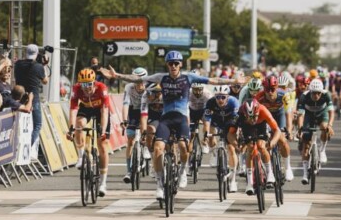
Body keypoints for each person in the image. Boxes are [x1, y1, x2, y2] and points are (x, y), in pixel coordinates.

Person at [100, 50, 244, 200]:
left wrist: (234, 81)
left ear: (180, 64)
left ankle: (182, 172)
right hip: (166, 119)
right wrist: (117, 75)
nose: (173, 66)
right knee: (157, 148)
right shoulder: (161, 77)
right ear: (167, 65)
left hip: (181, 118)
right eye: (170, 63)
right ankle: (159, 185)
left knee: (183, 146)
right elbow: (138, 79)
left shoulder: (188, 77)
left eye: (176, 63)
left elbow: (213, 80)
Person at [67, 68, 111, 197]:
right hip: (86, 108)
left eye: (89, 84)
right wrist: (71, 129)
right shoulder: (76, 89)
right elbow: (73, 109)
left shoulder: (102, 88)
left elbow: (105, 111)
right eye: (83, 84)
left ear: (94, 82)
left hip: (100, 111)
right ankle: (81, 157)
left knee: (102, 145)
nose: (86, 88)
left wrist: (103, 131)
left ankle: (103, 183)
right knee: (79, 124)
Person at [233, 99, 281, 195]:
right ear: (245, 114)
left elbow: (277, 130)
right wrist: (236, 144)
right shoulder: (240, 114)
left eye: (255, 116)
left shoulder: (263, 110)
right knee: (250, 148)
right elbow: (231, 132)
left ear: (258, 112)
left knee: (261, 146)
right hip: (246, 127)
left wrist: (272, 142)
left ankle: (270, 173)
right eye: (250, 117)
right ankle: (249, 183)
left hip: (261, 125)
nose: (253, 119)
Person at [297, 78, 335, 184]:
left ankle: (322, 150)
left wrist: (330, 125)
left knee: (324, 127)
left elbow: (331, 112)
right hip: (308, 116)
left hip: (322, 114)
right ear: (310, 91)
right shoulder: (304, 96)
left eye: (318, 93)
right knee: (306, 145)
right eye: (314, 93)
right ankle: (305, 173)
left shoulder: (326, 95)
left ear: (321, 92)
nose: (316, 95)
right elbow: (300, 115)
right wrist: (300, 128)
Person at [203, 85, 240, 192]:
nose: (220, 100)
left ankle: (233, 180)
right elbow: (207, 120)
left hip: (230, 121)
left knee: (231, 148)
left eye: (223, 97)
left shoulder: (234, 102)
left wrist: (236, 133)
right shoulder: (210, 102)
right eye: (218, 97)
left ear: (227, 97)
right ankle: (214, 153)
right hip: (217, 120)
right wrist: (206, 133)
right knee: (210, 134)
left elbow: (237, 120)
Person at [14, 44, 48, 146]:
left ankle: (18, 147)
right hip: (33, 98)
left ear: (26, 52)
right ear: (37, 54)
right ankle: (29, 147)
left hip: (19, 97)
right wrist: (44, 66)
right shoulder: (38, 66)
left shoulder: (18, 64)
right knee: (37, 125)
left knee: (19, 126)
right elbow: (45, 81)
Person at [121, 67, 148, 184]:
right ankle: (128, 171)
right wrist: (124, 120)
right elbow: (125, 104)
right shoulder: (129, 87)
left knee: (145, 130)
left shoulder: (149, 87)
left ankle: (145, 148)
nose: (139, 84)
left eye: (141, 81)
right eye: (136, 81)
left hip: (146, 111)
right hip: (133, 110)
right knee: (130, 141)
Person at [189, 82, 212, 154]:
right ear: (192, 89)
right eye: (195, 90)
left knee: (207, 123)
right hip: (192, 111)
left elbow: (212, 106)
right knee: (191, 133)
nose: (197, 92)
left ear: (203, 89)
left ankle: (205, 142)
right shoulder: (188, 93)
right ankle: (190, 144)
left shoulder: (207, 94)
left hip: (203, 110)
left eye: (199, 90)